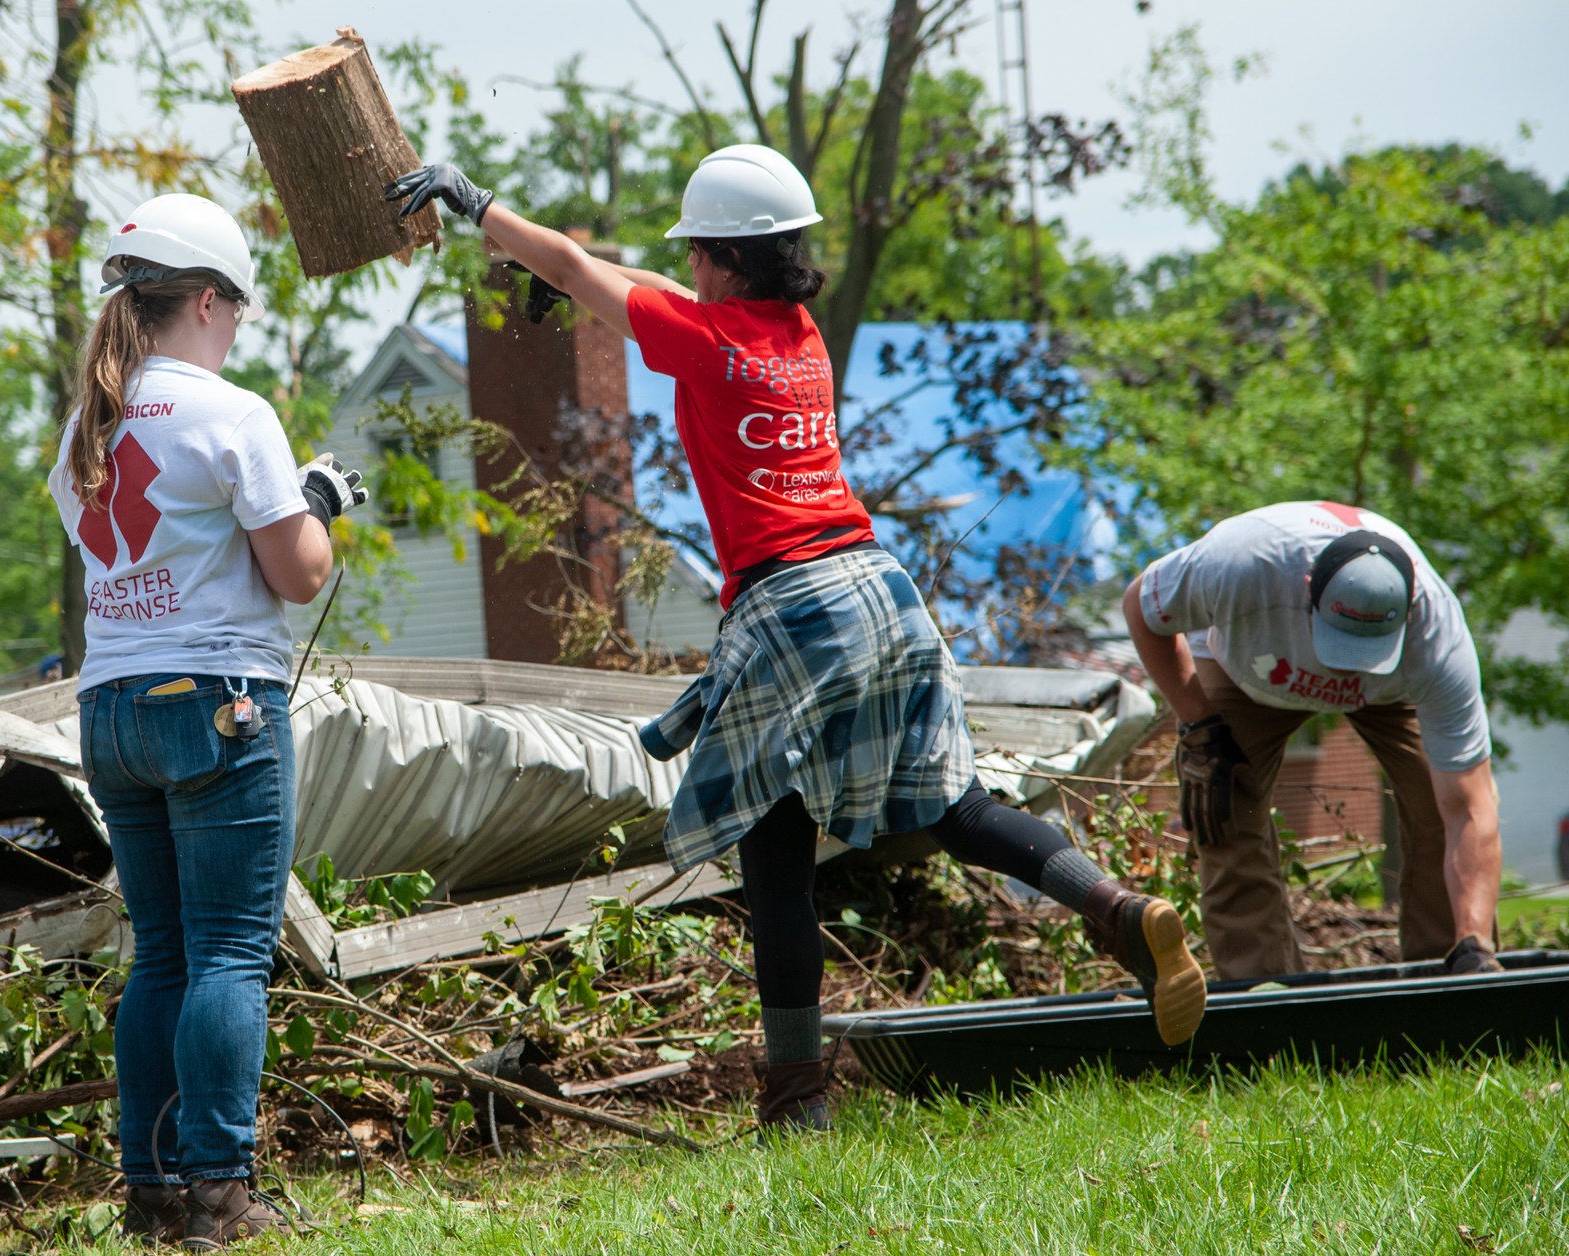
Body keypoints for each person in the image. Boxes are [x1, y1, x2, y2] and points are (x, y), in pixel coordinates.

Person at [387, 146, 1206, 1134]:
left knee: (773, 851)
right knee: (951, 802)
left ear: (725, 258)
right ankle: (1116, 908)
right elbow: (637, 288)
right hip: (884, 589)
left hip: (792, 603)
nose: (686, 269)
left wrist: (482, 208)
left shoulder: (704, 341)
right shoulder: (799, 334)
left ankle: (798, 1096)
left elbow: (573, 268)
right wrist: (568, 269)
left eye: (697, 254)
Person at [48, 192, 367, 1249]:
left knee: (164, 956)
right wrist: (317, 496)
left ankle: (149, 1190)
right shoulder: (233, 415)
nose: (237, 325)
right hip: (220, 703)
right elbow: (298, 572)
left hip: (111, 705)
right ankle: (221, 1195)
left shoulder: (85, 424)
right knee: (232, 953)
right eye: (236, 305)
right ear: (206, 300)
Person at [1122, 500, 1504, 981]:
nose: (1345, 668)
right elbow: (1140, 604)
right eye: (1340, 640)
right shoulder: (1238, 563)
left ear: (1408, 612)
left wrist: (1475, 940)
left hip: (1390, 690)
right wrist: (1198, 724)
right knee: (1224, 808)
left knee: (1436, 801)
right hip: (1250, 669)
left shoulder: (1438, 636)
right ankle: (1265, 996)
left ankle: (1451, 978)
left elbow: (1470, 809)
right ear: (1307, 590)